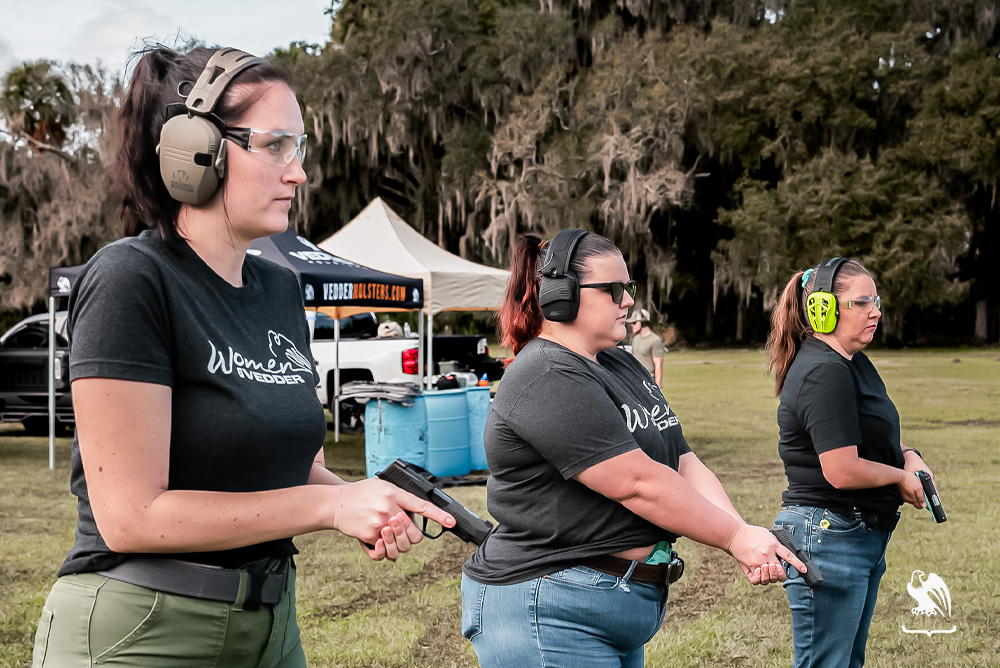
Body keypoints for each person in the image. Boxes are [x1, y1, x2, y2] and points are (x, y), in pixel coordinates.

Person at [30, 46, 453, 668]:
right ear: (194, 151)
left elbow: (293, 467)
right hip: (142, 628)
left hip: (271, 628)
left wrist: (363, 496)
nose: (298, 172)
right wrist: (330, 507)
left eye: (299, 146)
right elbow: (131, 517)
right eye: (275, 144)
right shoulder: (130, 279)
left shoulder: (280, 289)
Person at [461, 229, 805, 668]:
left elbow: (682, 459)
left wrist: (744, 533)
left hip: (605, 602)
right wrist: (734, 538)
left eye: (630, 289)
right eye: (614, 290)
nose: (629, 301)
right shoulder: (544, 375)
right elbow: (637, 483)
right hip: (549, 608)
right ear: (560, 296)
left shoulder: (620, 362)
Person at [766, 257, 936, 668]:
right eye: (862, 303)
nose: (876, 311)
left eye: (876, 300)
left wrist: (908, 455)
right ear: (822, 310)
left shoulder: (850, 362)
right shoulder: (825, 370)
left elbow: (870, 433)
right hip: (829, 539)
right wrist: (899, 476)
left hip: (851, 537)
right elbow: (841, 469)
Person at [627, 308, 665, 386]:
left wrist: (658, 387)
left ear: (643, 323)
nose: (631, 325)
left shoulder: (655, 340)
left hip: (648, 381)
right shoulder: (635, 339)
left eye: (634, 322)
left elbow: (658, 365)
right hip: (635, 380)